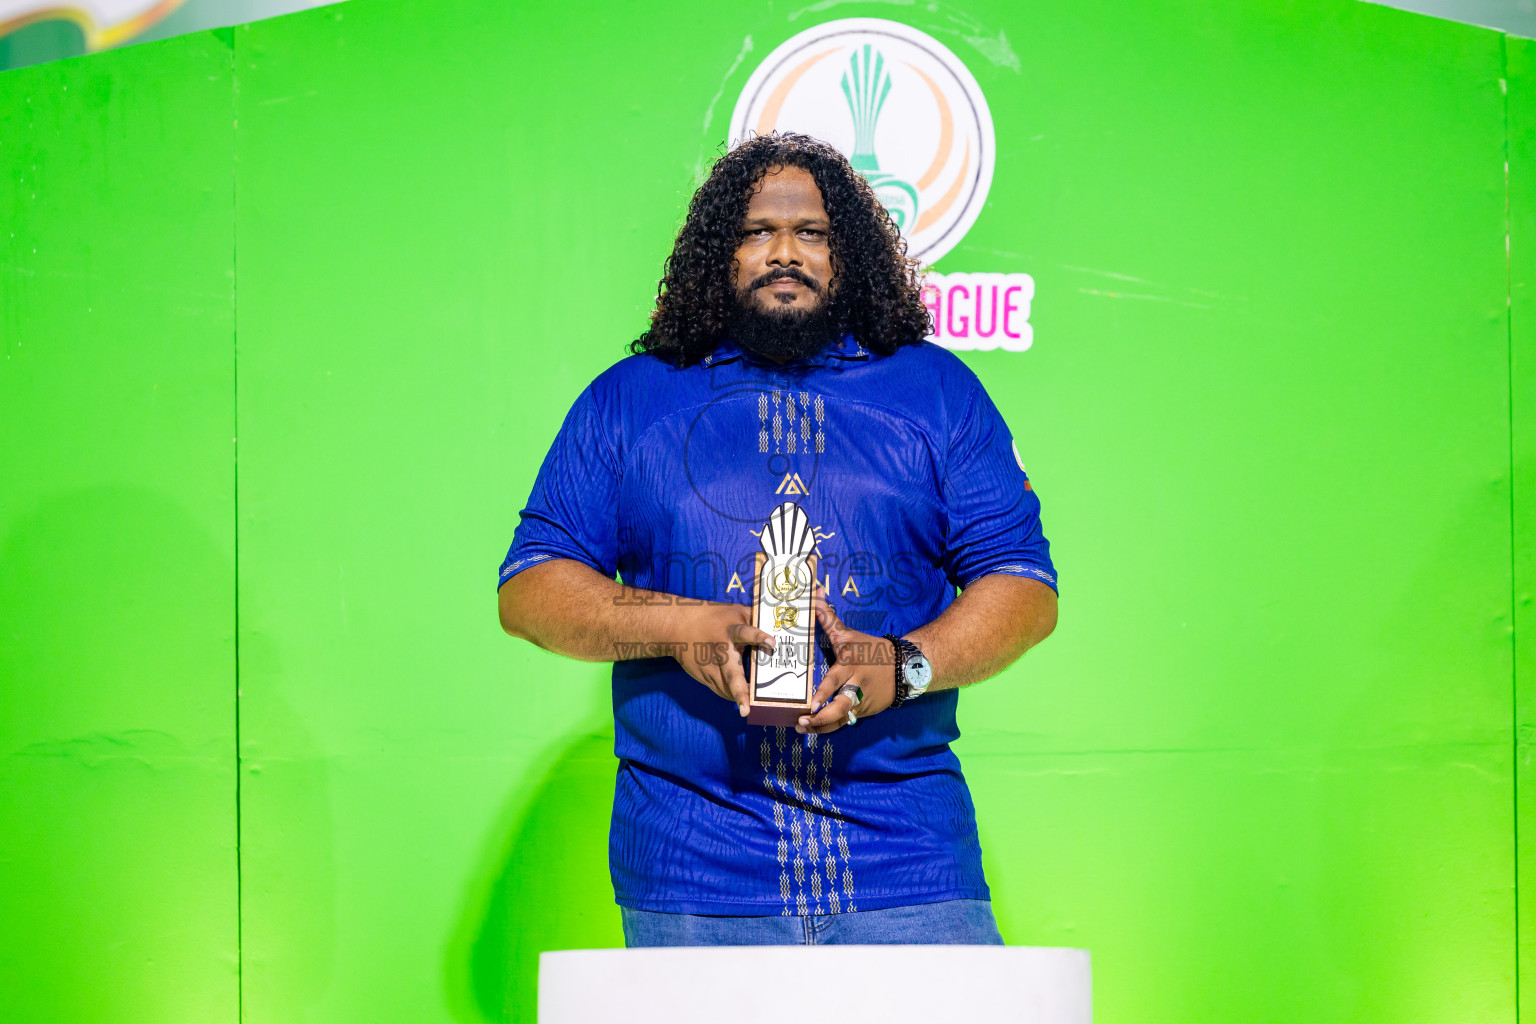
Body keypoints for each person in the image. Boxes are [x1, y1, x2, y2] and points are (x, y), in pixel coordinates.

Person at [497, 132, 1058, 946]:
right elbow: (531, 587)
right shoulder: (633, 399)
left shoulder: (936, 391)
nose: (785, 252)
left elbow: (1024, 585)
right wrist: (682, 626)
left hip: (910, 865)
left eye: (813, 234)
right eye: (757, 232)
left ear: (848, 254)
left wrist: (902, 663)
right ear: (718, 254)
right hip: (693, 869)